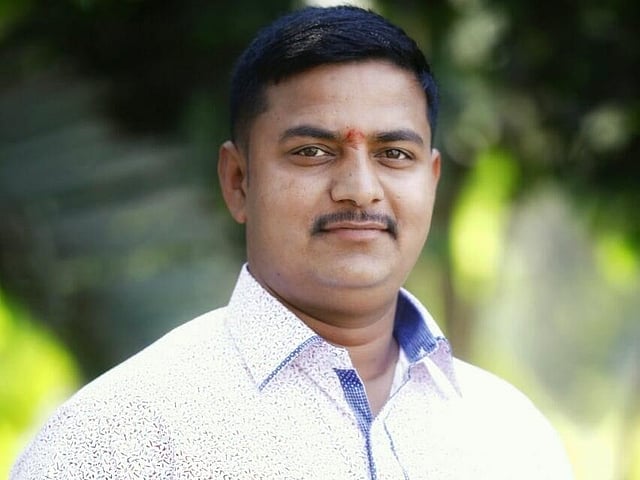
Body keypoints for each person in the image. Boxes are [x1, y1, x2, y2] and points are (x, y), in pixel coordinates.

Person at [11, 5, 573, 479]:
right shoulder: (116, 440)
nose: (360, 189)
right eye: (312, 151)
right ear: (239, 181)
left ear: (430, 180)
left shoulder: (511, 436)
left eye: (393, 154)